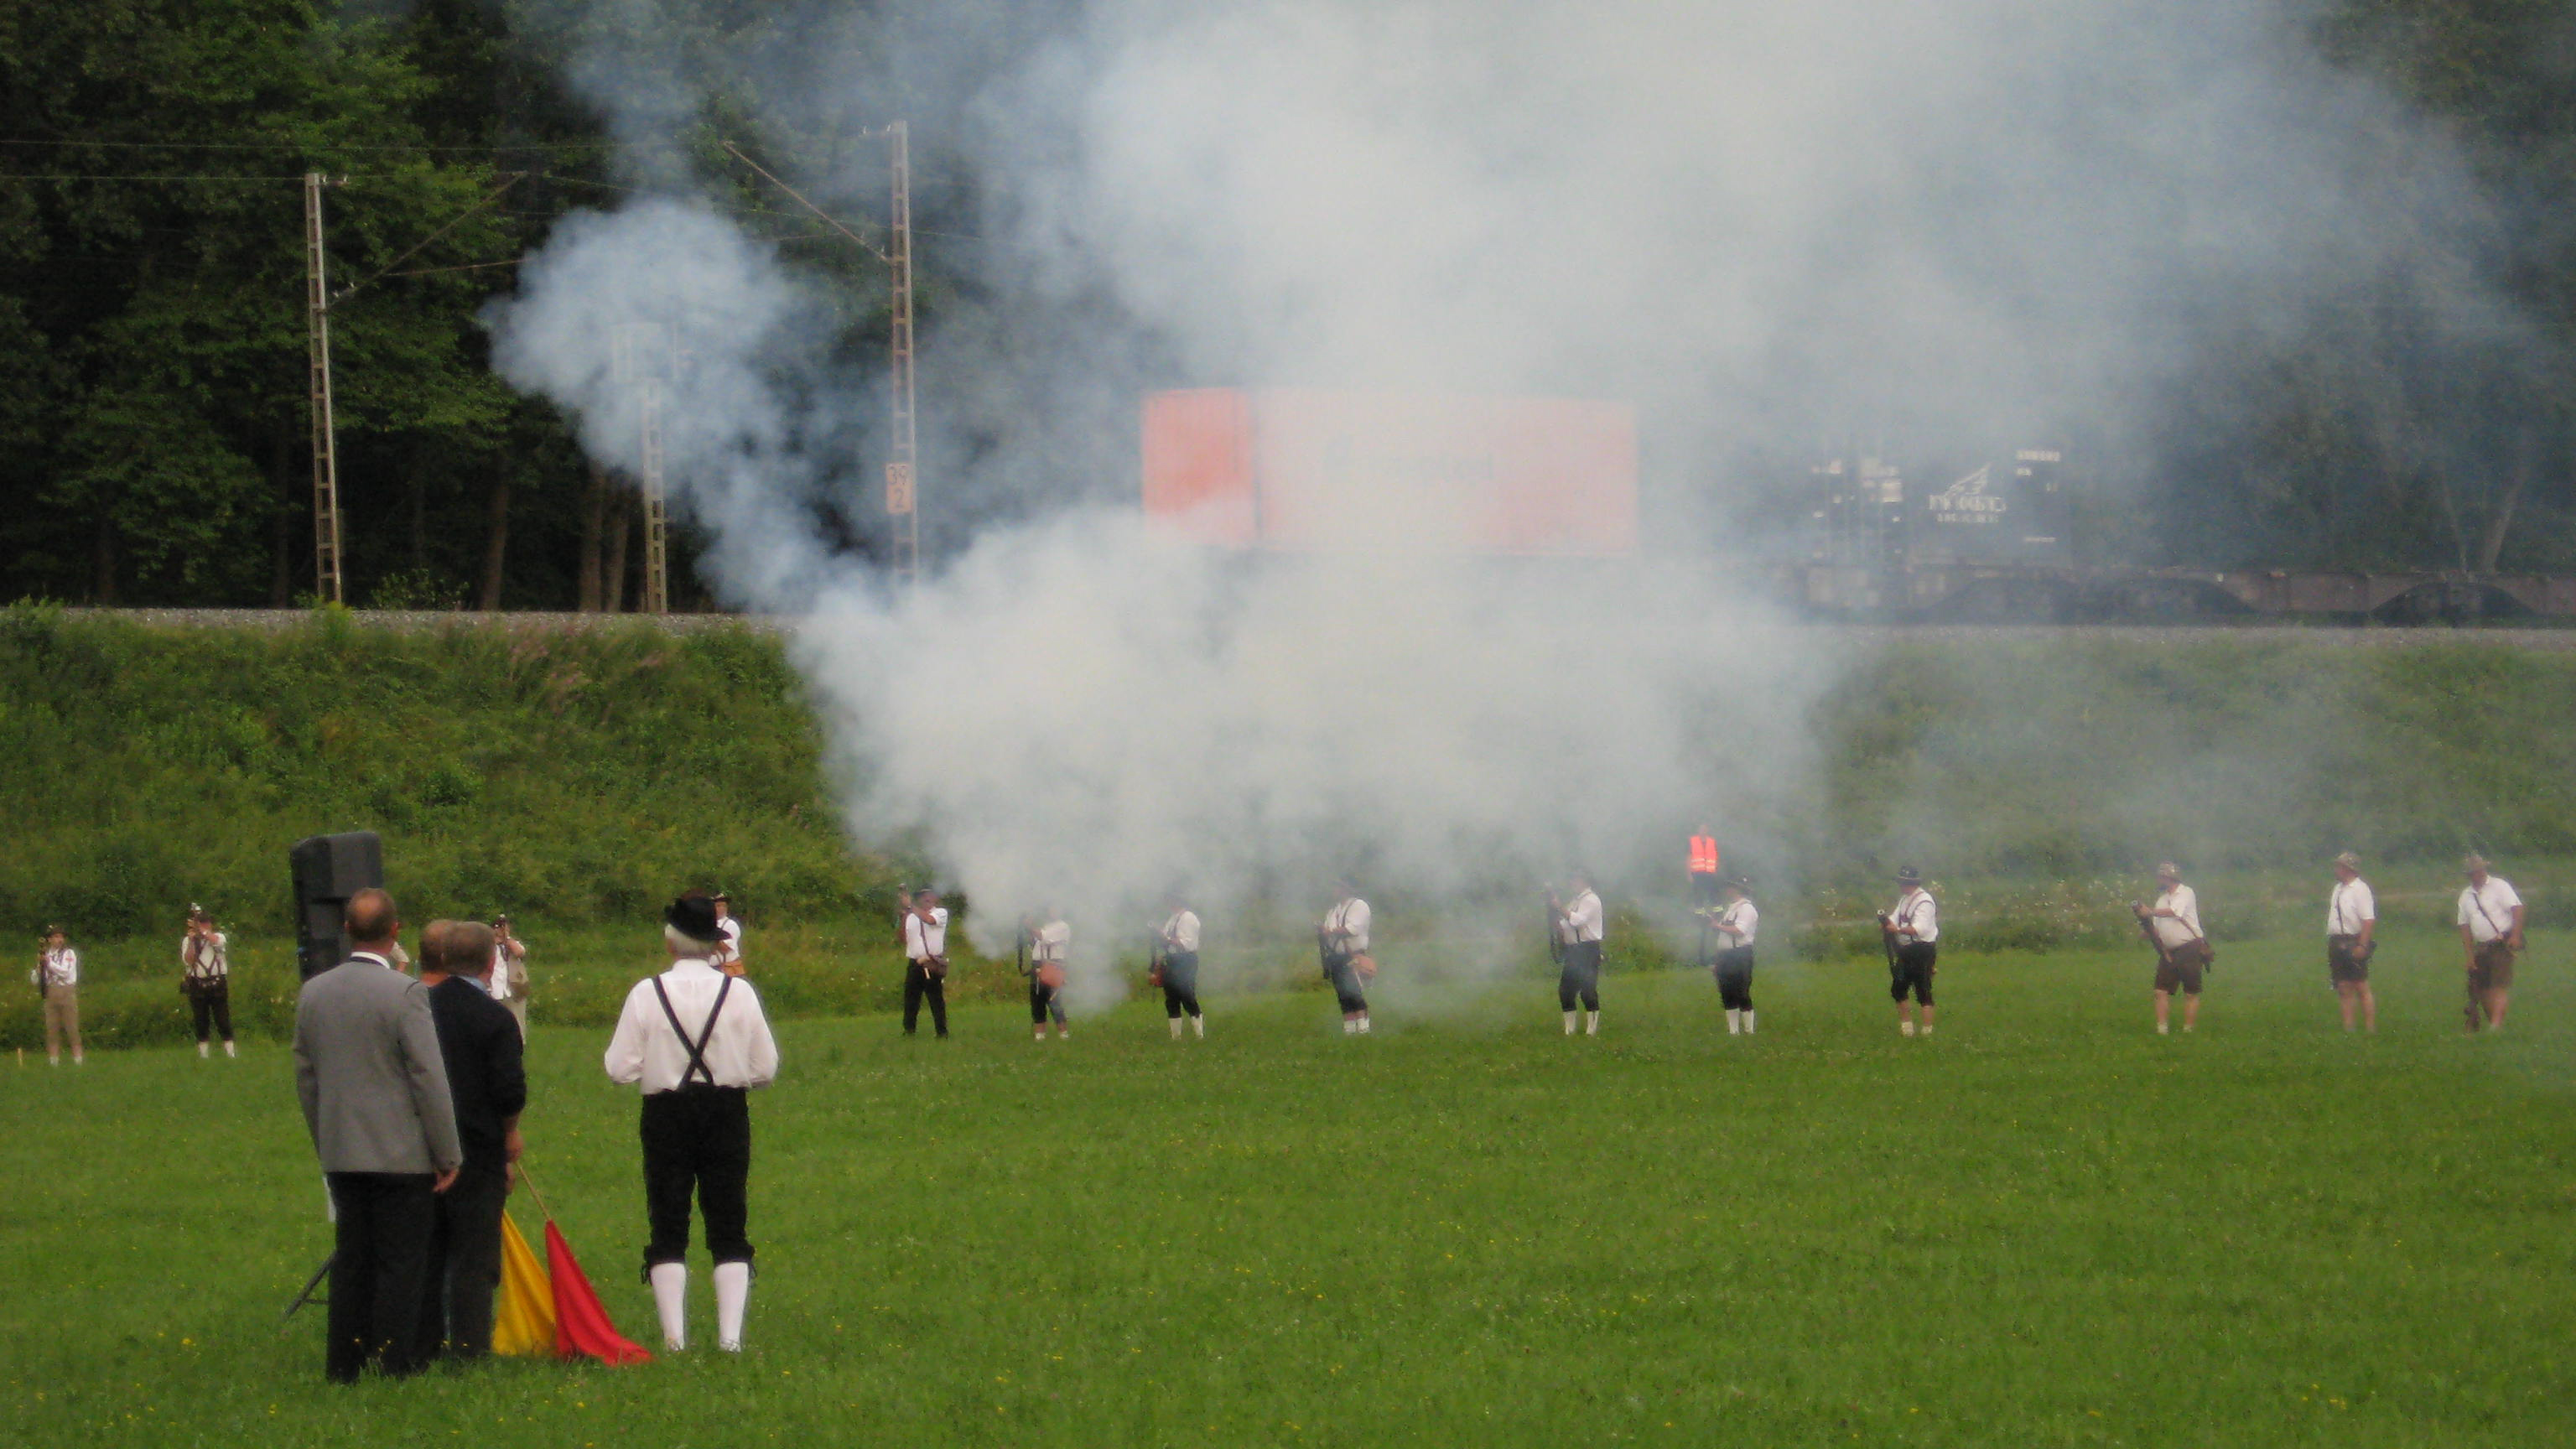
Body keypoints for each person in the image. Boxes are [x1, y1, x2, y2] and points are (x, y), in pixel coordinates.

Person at [292, 889, 462, 1383]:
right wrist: (447, 1153)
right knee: (401, 1263)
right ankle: (394, 1362)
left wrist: (326, 1138)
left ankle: (343, 1363)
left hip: (342, 1148)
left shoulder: (314, 992)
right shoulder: (405, 992)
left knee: (352, 1259)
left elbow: (307, 1077)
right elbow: (427, 1077)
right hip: (401, 1153)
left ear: (346, 930)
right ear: (395, 932)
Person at [604, 891, 781, 1353]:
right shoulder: (738, 991)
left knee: (667, 1221)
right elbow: (765, 1069)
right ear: (715, 945)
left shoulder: (647, 992)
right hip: (726, 1111)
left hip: (666, 1113)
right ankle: (729, 1340)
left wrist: (661, 1060)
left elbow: (618, 1068)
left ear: (669, 943)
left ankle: (675, 1340)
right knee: (728, 1221)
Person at [413, 920, 525, 1365]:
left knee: (427, 1249)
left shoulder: (418, 1005)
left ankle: (422, 1343)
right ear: (491, 961)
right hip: (478, 1150)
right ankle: (468, 1349)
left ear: (442, 958)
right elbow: (509, 1091)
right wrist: (510, 1132)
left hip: (422, 1147)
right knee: (474, 1255)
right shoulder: (496, 1018)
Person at [2134, 862, 2210, 1036]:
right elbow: (2158, 922)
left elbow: (2176, 912)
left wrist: (2150, 911)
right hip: (2168, 951)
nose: (2158, 880)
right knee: (2160, 991)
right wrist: (2148, 931)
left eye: (2160, 877)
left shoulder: (2186, 893)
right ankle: (2162, 1030)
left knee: (2191, 992)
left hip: (2189, 947)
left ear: (2168, 878)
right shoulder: (2162, 898)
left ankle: (2188, 1031)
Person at [2457, 854, 2525, 1034]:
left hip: (2501, 944)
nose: (2476, 875)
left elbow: (2517, 908)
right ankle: (2494, 1025)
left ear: (2483, 870)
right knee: (2483, 988)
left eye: (2478, 871)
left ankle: (2495, 1026)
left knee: (2498, 986)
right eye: (2472, 873)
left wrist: (2516, 936)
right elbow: (2464, 926)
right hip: (2482, 946)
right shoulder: (2465, 896)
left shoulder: (2500, 886)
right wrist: (2469, 956)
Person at [1879, 866, 1939, 1037]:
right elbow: (1894, 917)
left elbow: (1919, 928)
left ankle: (1927, 1032)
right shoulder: (1905, 899)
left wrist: (1896, 929)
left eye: (1904, 883)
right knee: (1898, 988)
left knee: (1923, 990)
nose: (1902, 886)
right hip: (1906, 950)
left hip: (1922, 949)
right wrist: (1886, 924)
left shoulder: (1925, 902)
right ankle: (1907, 1029)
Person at [2326, 851, 2377, 1033]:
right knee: (2343, 986)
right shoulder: (2338, 889)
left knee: (2361, 985)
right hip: (2337, 941)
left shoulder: (2360, 889)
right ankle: (2349, 1029)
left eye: (2339, 866)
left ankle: (2370, 1028)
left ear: (2348, 869)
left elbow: (2368, 919)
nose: (2336, 870)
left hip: (2353, 940)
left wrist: (2362, 945)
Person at [1550, 870, 1605, 1036]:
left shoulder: (1591, 900)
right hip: (1574, 950)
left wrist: (1559, 907)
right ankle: (1570, 1029)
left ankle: (1591, 1029)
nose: (1572, 883)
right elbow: (1567, 924)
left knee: (1588, 990)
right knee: (1566, 990)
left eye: (1574, 880)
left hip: (1588, 948)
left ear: (1584, 880)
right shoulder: (1575, 901)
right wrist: (1556, 922)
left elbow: (1578, 920)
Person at [1320, 879, 1374, 1035]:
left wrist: (1330, 932)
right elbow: (1329, 931)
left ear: (1345, 889)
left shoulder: (1359, 906)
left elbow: (1353, 928)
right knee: (1342, 993)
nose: (1333, 891)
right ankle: (1349, 1027)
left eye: (1336, 888)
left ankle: (1363, 1026)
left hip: (1353, 955)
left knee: (1353, 991)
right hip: (1336, 956)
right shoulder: (1334, 910)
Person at [181, 906, 236, 1059]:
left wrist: (203, 932)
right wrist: (192, 941)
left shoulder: (219, 936)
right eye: (201, 923)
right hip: (197, 983)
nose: (205, 925)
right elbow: (189, 960)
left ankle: (230, 1053)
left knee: (223, 1018)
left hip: (217, 982)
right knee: (201, 1020)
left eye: (206, 923)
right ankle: (204, 1055)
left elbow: (217, 943)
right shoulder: (188, 940)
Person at [1711, 875, 1759, 1035]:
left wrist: (1718, 926)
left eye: (1729, 887)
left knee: (1741, 992)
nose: (1726, 890)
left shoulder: (1746, 909)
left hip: (1740, 954)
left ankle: (1749, 1031)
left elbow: (1739, 931)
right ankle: (1733, 1032)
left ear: (1737, 890)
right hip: (1726, 956)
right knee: (1727, 992)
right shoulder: (1731, 908)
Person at [900, 888, 950, 1039]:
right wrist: (903, 917)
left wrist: (910, 907)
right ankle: (909, 1031)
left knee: (935, 999)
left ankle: (941, 1032)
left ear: (935, 898)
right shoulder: (912, 916)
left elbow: (929, 920)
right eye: (923, 896)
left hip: (931, 962)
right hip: (915, 962)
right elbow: (902, 938)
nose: (927, 898)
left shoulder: (940, 913)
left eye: (930, 895)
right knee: (911, 999)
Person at [1156, 890, 1204, 1039]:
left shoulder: (1188, 918)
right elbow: (1168, 942)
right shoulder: (1173, 918)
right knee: (1171, 998)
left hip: (1185, 960)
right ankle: (1176, 1036)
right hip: (1172, 960)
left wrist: (1165, 937)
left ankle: (1199, 1034)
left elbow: (1185, 943)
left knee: (1186, 995)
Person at [34, 926, 81, 1066]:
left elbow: (66, 972)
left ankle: (78, 1061)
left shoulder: (69, 953)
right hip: (50, 993)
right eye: (56, 937)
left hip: (66, 991)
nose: (59, 940)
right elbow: (36, 979)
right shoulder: (45, 954)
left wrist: (49, 963)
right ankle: (54, 1062)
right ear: (50, 940)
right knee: (52, 1029)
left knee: (72, 1028)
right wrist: (38, 969)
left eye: (61, 937)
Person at [1026, 907, 1070, 1041]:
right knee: (1037, 1003)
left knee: (1055, 1002)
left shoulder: (1062, 926)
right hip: (1038, 967)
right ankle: (1039, 1037)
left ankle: (1064, 1035)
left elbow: (1042, 936)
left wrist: (1028, 925)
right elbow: (1034, 942)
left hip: (1053, 967)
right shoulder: (1046, 926)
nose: (1051, 912)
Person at [489, 915, 530, 1034]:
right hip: (493, 990)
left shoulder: (512, 943)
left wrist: (506, 938)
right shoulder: (487, 945)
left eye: (502, 927)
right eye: (497, 927)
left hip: (512, 989)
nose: (499, 930)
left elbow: (519, 952)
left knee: (517, 1021)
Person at [712, 892, 745, 977]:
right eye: (718, 906)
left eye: (724, 906)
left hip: (727, 969)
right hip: (711, 969)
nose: (721, 909)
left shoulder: (730, 925)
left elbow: (725, 949)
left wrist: (710, 936)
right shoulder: (709, 924)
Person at [1687, 827, 1721, 908]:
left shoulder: (1712, 841)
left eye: (1705, 828)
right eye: (1701, 828)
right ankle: (1700, 914)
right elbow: (1688, 858)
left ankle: (1717, 913)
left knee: (1713, 894)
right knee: (1698, 895)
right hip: (1697, 873)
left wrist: (1716, 870)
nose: (1703, 830)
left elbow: (1716, 857)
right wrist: (1689, 874)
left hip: (1710, 872)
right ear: (1698, 830)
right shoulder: (1692, 841)